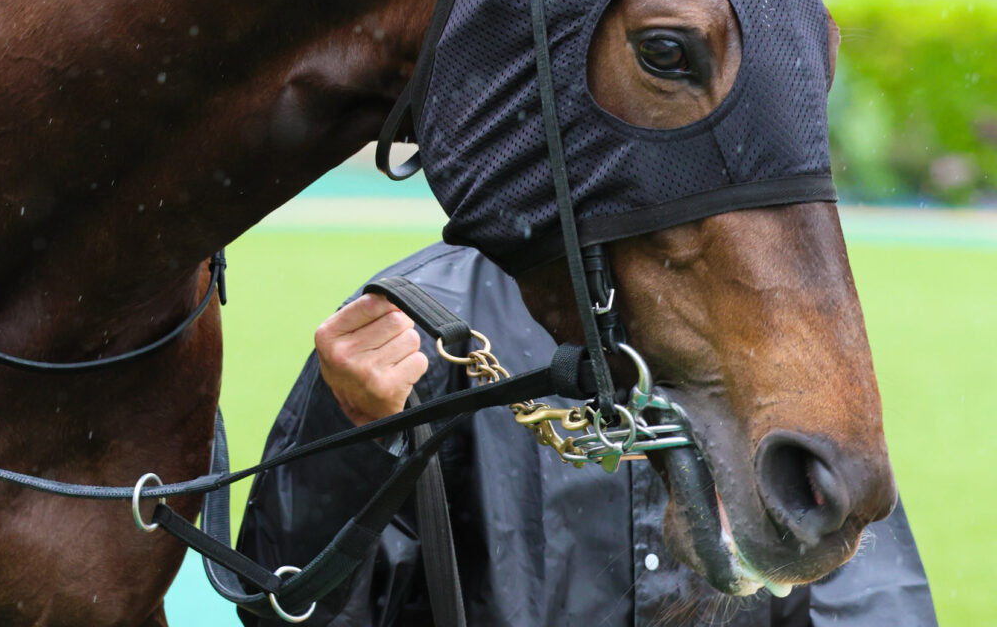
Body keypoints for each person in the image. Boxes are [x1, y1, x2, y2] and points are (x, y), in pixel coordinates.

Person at [236, 243, 937, 627]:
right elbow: (288, 610)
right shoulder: (421, 330)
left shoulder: (776, 329)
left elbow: (868, 596)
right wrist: (351, 433)